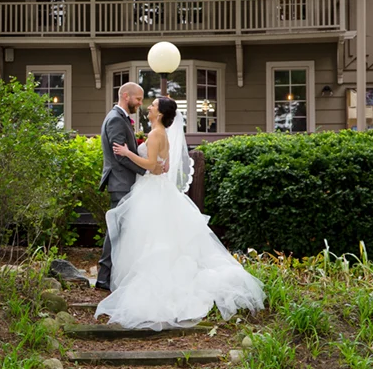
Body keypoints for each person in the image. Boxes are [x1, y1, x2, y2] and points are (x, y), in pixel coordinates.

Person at [95, 97, 265, 330]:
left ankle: (151, 284)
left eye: (153, 105)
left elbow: (151, 165)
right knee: (158, 238)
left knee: (151, 239)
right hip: (159, 188)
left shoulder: (157, 134)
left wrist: (126, 152)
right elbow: (162, 165)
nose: (150, 107)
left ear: (161, 113)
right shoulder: (160, 132)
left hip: (152, 190)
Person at [96, 82, 165, 291]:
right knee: (116, 230)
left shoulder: (121, 118)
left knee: (120, 230)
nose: (140, 103)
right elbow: (121, 156)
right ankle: (104, 277)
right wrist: (147, 171)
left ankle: (109, 275)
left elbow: (127, 151)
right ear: (126, 96)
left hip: (123, 181)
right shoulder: (116, 119)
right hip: (120, 182)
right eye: (137, 99)